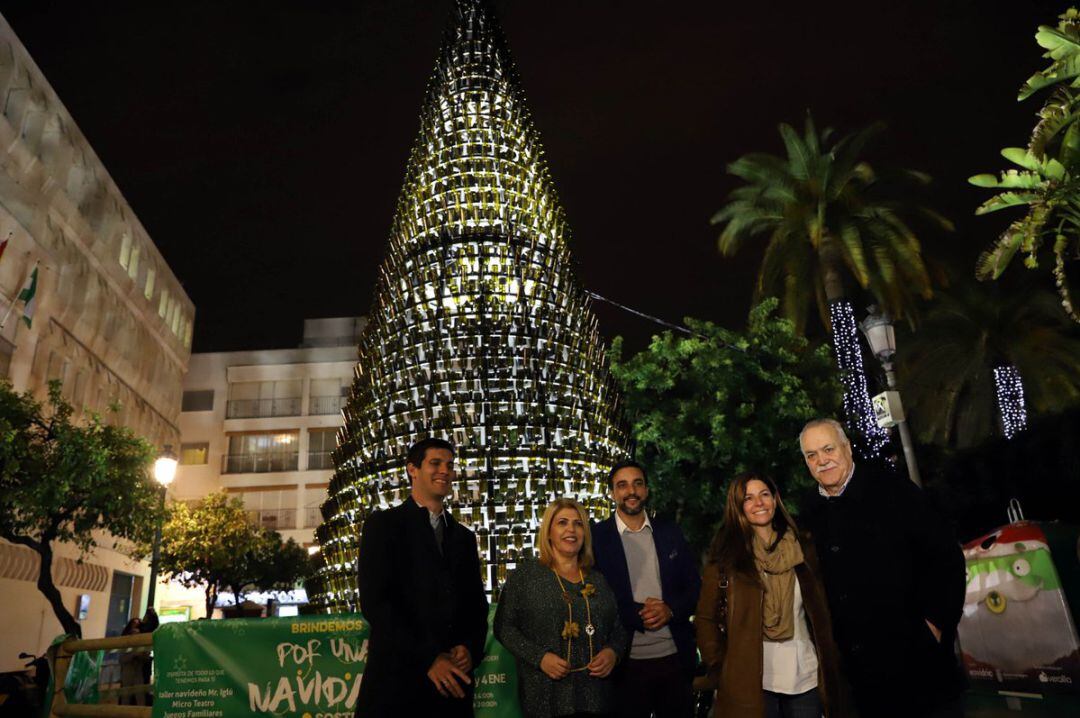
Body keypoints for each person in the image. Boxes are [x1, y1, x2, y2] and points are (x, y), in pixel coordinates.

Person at [797, 418, 966, 718]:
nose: (822, 460)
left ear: (847, 448)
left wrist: (936, 626)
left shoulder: (893, 490)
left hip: (919, 668)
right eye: (812, 455)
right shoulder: (810, 510)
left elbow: (946, 558)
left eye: (828, 449)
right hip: (861, 682)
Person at [695, 471, 850, 718]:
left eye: (764, 495)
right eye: (748, 498)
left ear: (775, 500)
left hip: (805, 676)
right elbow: (705, 618)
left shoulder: (804, 548)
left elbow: (825, 608)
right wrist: (720, 667)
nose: (759, 503)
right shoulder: (727, 558)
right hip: (751, 682)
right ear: (738, 506)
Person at [354, 437, 489, 717]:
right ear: (412, 469)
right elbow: (376, 603)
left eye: (450, 466)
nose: (445, 471)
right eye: (435, 463)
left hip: (452, 691)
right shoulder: (384, 526)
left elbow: (476, 605)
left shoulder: (464, 537)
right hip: (397, 686)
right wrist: (430, 657)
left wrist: (469, 648)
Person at [495, 498, 628, 717]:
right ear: (548, 532)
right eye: (562, 522)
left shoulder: (599, 580)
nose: (571, 530)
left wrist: (613, 652)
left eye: (578, 524)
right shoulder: (525, 577)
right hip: (545, 699)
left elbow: (619, 627)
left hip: (596, 698)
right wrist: (540, 658)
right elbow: (504, 627)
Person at [590, 460, 700, 718]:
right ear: (613, 493)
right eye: (623, 485)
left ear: (646, 490)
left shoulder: (669, 531)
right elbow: (594, 598)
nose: (631, 491)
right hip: (624, 663)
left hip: (674, 659)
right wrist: (639, 613)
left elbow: (695, 587)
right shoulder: (597, 538)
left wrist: (670, 610)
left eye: (637, 483)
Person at [118, 618, 145, 706]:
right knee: (126, 697)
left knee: (140, 696)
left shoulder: (142, 644)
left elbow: (146, 657)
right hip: (127, 671)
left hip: (138, 671)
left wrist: (142, 655)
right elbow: (121, 659)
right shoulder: (124, 642)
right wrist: (133, 655)